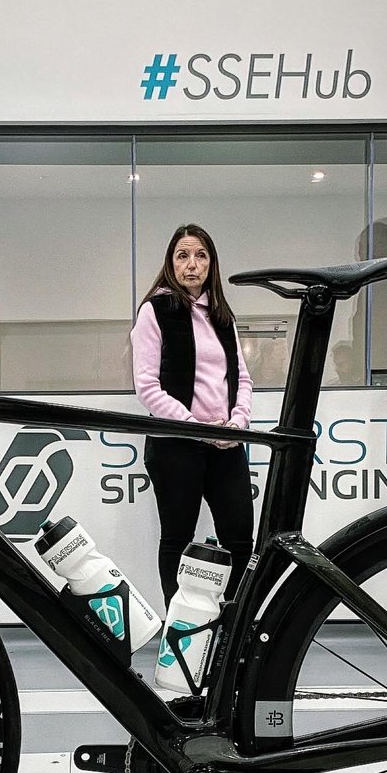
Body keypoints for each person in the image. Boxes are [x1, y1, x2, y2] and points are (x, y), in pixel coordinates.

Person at [131, 224, 254, 606]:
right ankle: (180, 626)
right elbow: (147, 387)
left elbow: (242, 378)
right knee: (177, 539)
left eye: (201, 255)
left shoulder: (222, 315)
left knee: (240, 540)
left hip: (227, 444)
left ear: (211, 263)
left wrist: (238, 423)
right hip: (176, 445)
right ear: (170, 263)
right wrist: (197, 428)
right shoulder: (155, 311)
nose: (192, 264)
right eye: (182, 255)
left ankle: (231, 623)